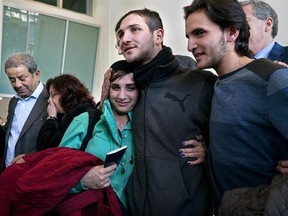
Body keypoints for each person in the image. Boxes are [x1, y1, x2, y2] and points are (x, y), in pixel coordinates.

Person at [184, 0, 288, 213]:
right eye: (188, 37)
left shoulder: (271, 78)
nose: (190, 46)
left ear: (232, 33)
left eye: (200, 33)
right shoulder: (217, 84)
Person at [113, 8, 217, 216]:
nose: (126, 38)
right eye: (121, 34)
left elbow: (234, 141)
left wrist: (210, 150)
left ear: (158, 35)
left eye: (134, 29)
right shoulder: (128, 88)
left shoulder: (200, 83)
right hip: (132, 208)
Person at [59, 60, 138, 210]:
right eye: (115, 87)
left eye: (130, 88)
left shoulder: (143, 129)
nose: (122, 96)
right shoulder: (86, 121)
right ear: (107, 89)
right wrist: (83, 180)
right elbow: (56, 172)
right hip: (86, 209)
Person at [0, 52, 49, 171]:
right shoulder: (14, 101)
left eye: (22, 78)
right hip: (7, 171)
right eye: (12, 80)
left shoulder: (50, 101)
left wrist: (31, 158)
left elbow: (55, 145)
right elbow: (9, 134)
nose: (17, 85)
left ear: (36, 74)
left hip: (33, 173)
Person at [36, 74, 96, 150]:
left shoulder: (76, 116)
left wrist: (51, 117)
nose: (49, 100)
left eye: (53, 95)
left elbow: (46, 147)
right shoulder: (86, 110)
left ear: (67, 94)